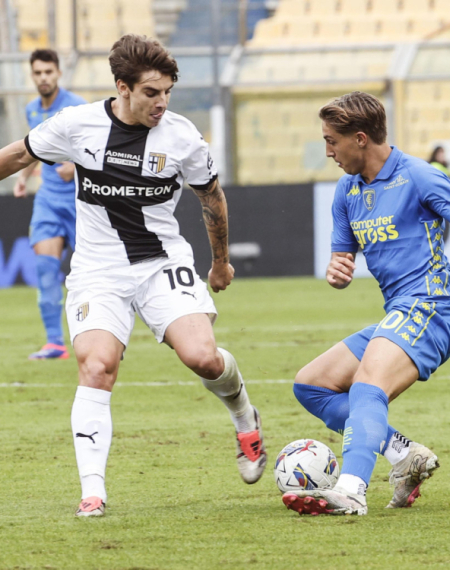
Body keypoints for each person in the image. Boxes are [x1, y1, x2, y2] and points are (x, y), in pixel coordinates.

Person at [0, 34, 266, 517]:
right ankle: (93, 492)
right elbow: (19, 155)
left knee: (204, 358)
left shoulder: (183, 137)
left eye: (167, 92)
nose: (162, 102)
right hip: (98, 270)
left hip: (161, 262)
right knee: (96, 366)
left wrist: (220, 261)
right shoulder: (77, 124)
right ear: (122, 88)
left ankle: (244, 415)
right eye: (151, 92)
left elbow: (211, 197)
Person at [283, 92, 450, 516]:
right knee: (311, 385)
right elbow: (342, 258)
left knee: (368, 383)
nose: (328, 151)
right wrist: (337, 271)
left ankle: (351, 491)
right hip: (400, 312)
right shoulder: (347, 190)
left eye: (332, 141)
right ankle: (403, 455)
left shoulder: (418, 176)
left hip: (434, 308)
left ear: (360, 138)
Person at [13, 49, 86, 360]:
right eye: (38, 73)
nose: (43, 78)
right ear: (32, 75)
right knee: (45, 269)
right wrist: (23, 177)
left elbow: (98, 149)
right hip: (48, 201)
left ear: (58, 73)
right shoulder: (32, 109)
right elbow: (35, 146)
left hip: (82, 203)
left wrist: (76, 166)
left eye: (48, 72)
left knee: (90, 277)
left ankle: (103, 338)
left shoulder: (77, 106)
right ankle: (55, 343)